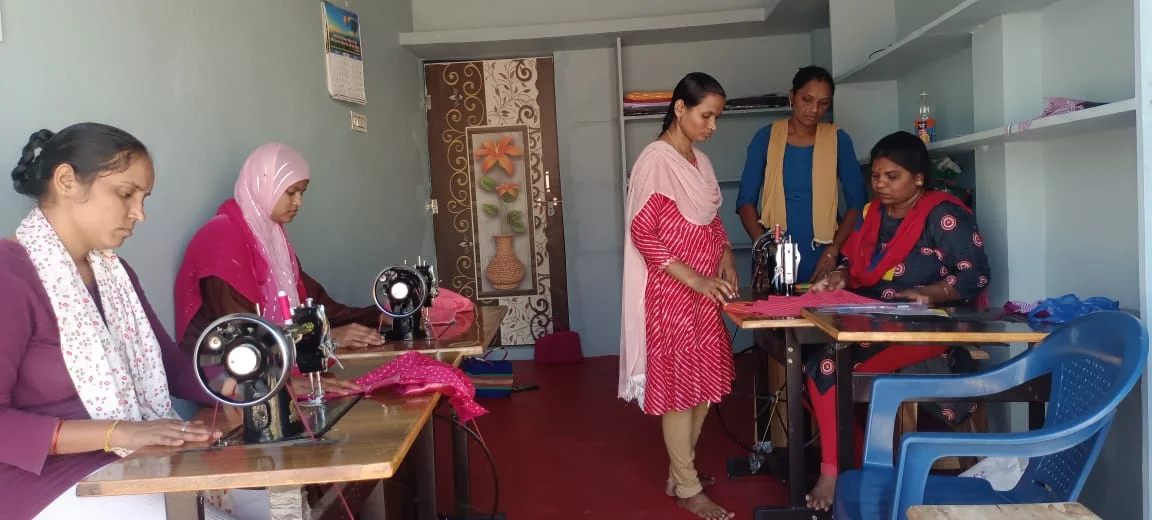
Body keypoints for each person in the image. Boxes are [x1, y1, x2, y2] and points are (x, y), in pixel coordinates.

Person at [0, 123, 270, 519]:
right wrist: (118, 432)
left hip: (129, 460)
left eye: (143, 198)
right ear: (66, 181)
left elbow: (174, 368)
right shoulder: (10, 275)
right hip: (42, 486)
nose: (139, 214)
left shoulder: (115, 275)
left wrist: (253, 384)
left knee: (274, 508)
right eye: (126, 194)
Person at [804, 131, 991, 510]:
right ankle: (852, 464)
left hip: (926, 328)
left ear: (918, 179)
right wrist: (838, 277)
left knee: (826, 367)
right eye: (876, 176)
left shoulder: (944, 214)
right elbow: (854, 266)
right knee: (815, 364)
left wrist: (931, 294)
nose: (881, 185)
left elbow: (976, 275)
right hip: (873, 322)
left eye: (892, 177)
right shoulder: (873, 215)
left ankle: (833, 471)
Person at [619, 72, 738, 520]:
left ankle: (680, 471)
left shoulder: (700, 164)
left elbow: (712, 220)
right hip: (672, 294)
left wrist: (725, 255)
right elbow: (644, 234)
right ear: (680, 109)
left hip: (704, 292)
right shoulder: (656, 161)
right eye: (706, 115)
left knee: (706, 383)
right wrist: (695, 278)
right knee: (682, 391)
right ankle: (687, 486)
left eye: (717, 117)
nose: (712, 125)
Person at [174, 143, 389, 373]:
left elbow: (315, 306)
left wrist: (378, 316)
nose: (299, 203)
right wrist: (327, 339)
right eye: (291, 192)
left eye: (302, 193)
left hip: (268, 369)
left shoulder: (271, 238)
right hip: (230, 385)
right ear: (264, 184)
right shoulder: (222, 238)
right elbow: (242, 333)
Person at [735, 65, 868, 283]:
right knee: (775, 314)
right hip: (775, 249)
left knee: (825, 315)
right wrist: (765, 249)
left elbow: (857, 204)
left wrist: (833, 251)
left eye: (823, 103)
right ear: (792, 97)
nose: (814, 109)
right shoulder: (766, 138)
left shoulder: (839, 140)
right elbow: (745, 202)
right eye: (807, 99)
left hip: (823, 252)